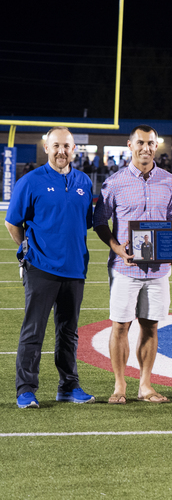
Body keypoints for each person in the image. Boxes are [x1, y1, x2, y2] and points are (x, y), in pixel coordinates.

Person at [5, 126, 95, 408]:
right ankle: (25, 389)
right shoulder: (30, 181)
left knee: (68, 332)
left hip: (75, 269)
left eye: (66, 146)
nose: (61, 151)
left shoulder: (84, 181)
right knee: (34, 330)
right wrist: (27, 249)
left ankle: (68, 386)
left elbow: (84, 222)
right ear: (46, 148)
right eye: (56, 146)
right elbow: (12, 222)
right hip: (42, 267)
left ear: (74, 150)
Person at [94, 124, 172, 404]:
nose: (146, 148)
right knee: (120, 325)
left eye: (151, 143)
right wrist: (117, 248)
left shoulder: (169, 180)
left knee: (150, 325)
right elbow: (99, 221)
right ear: (129, 145)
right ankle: (120, 386)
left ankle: (145, 385)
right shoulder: (114, 181)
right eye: (141, 143)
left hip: (158, 269)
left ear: (157, 146)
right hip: (125, 267)